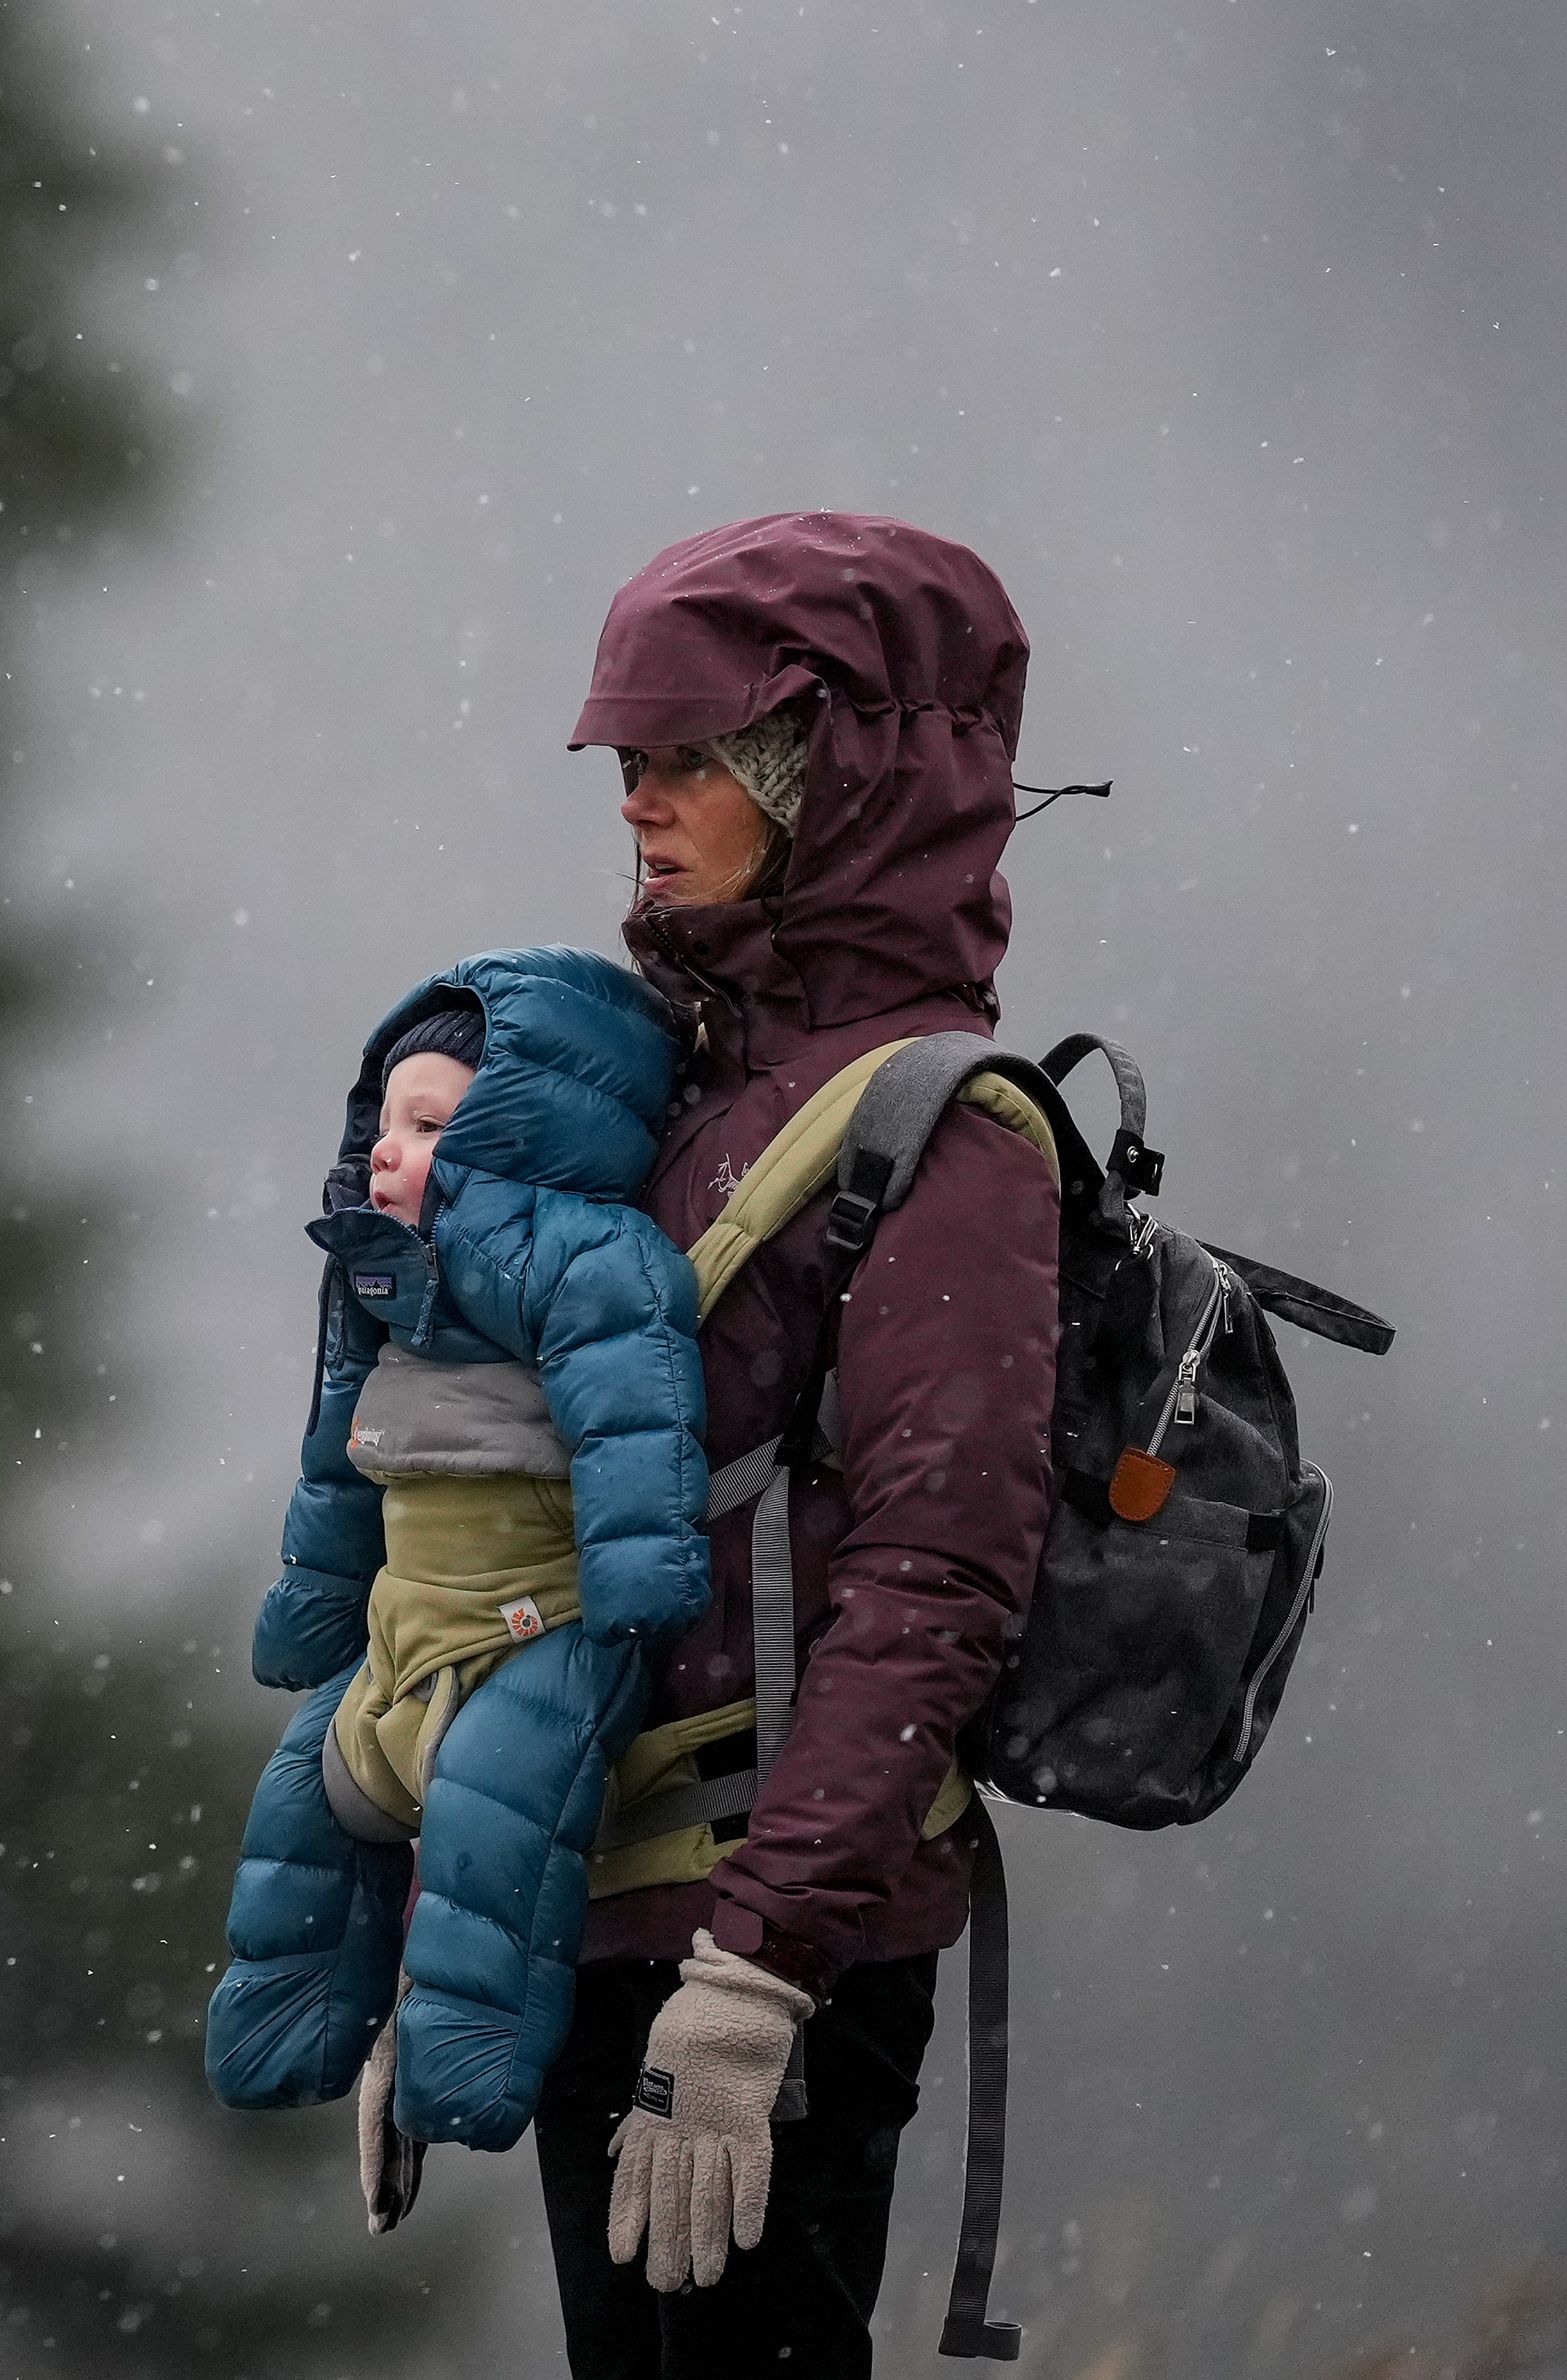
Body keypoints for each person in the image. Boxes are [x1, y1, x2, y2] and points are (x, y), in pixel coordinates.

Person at [540, 512, 1061, 2379]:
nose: (640, 802)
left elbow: (936, 1584)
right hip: (610, 1925)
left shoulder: (953, 1137)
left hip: (778, 1956)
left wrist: (758, 1973)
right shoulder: (678, 1086)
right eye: (630, 762)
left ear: (828, 773)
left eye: (689, 758)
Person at [203, 947, 712, 2189]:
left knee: (497, 1819)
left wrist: (647, 1574)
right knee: (308, 1785)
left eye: (429, 1122)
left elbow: (635, 1420)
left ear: (529, 1131)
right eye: (384, 1122)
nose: (387, 1148)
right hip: (407, 1627)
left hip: (543, 1631)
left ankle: (468, 2057)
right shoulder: (384, 1284)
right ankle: (286, 2024)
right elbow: (338, 1462)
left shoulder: (595, 1258)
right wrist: (316, 1607)